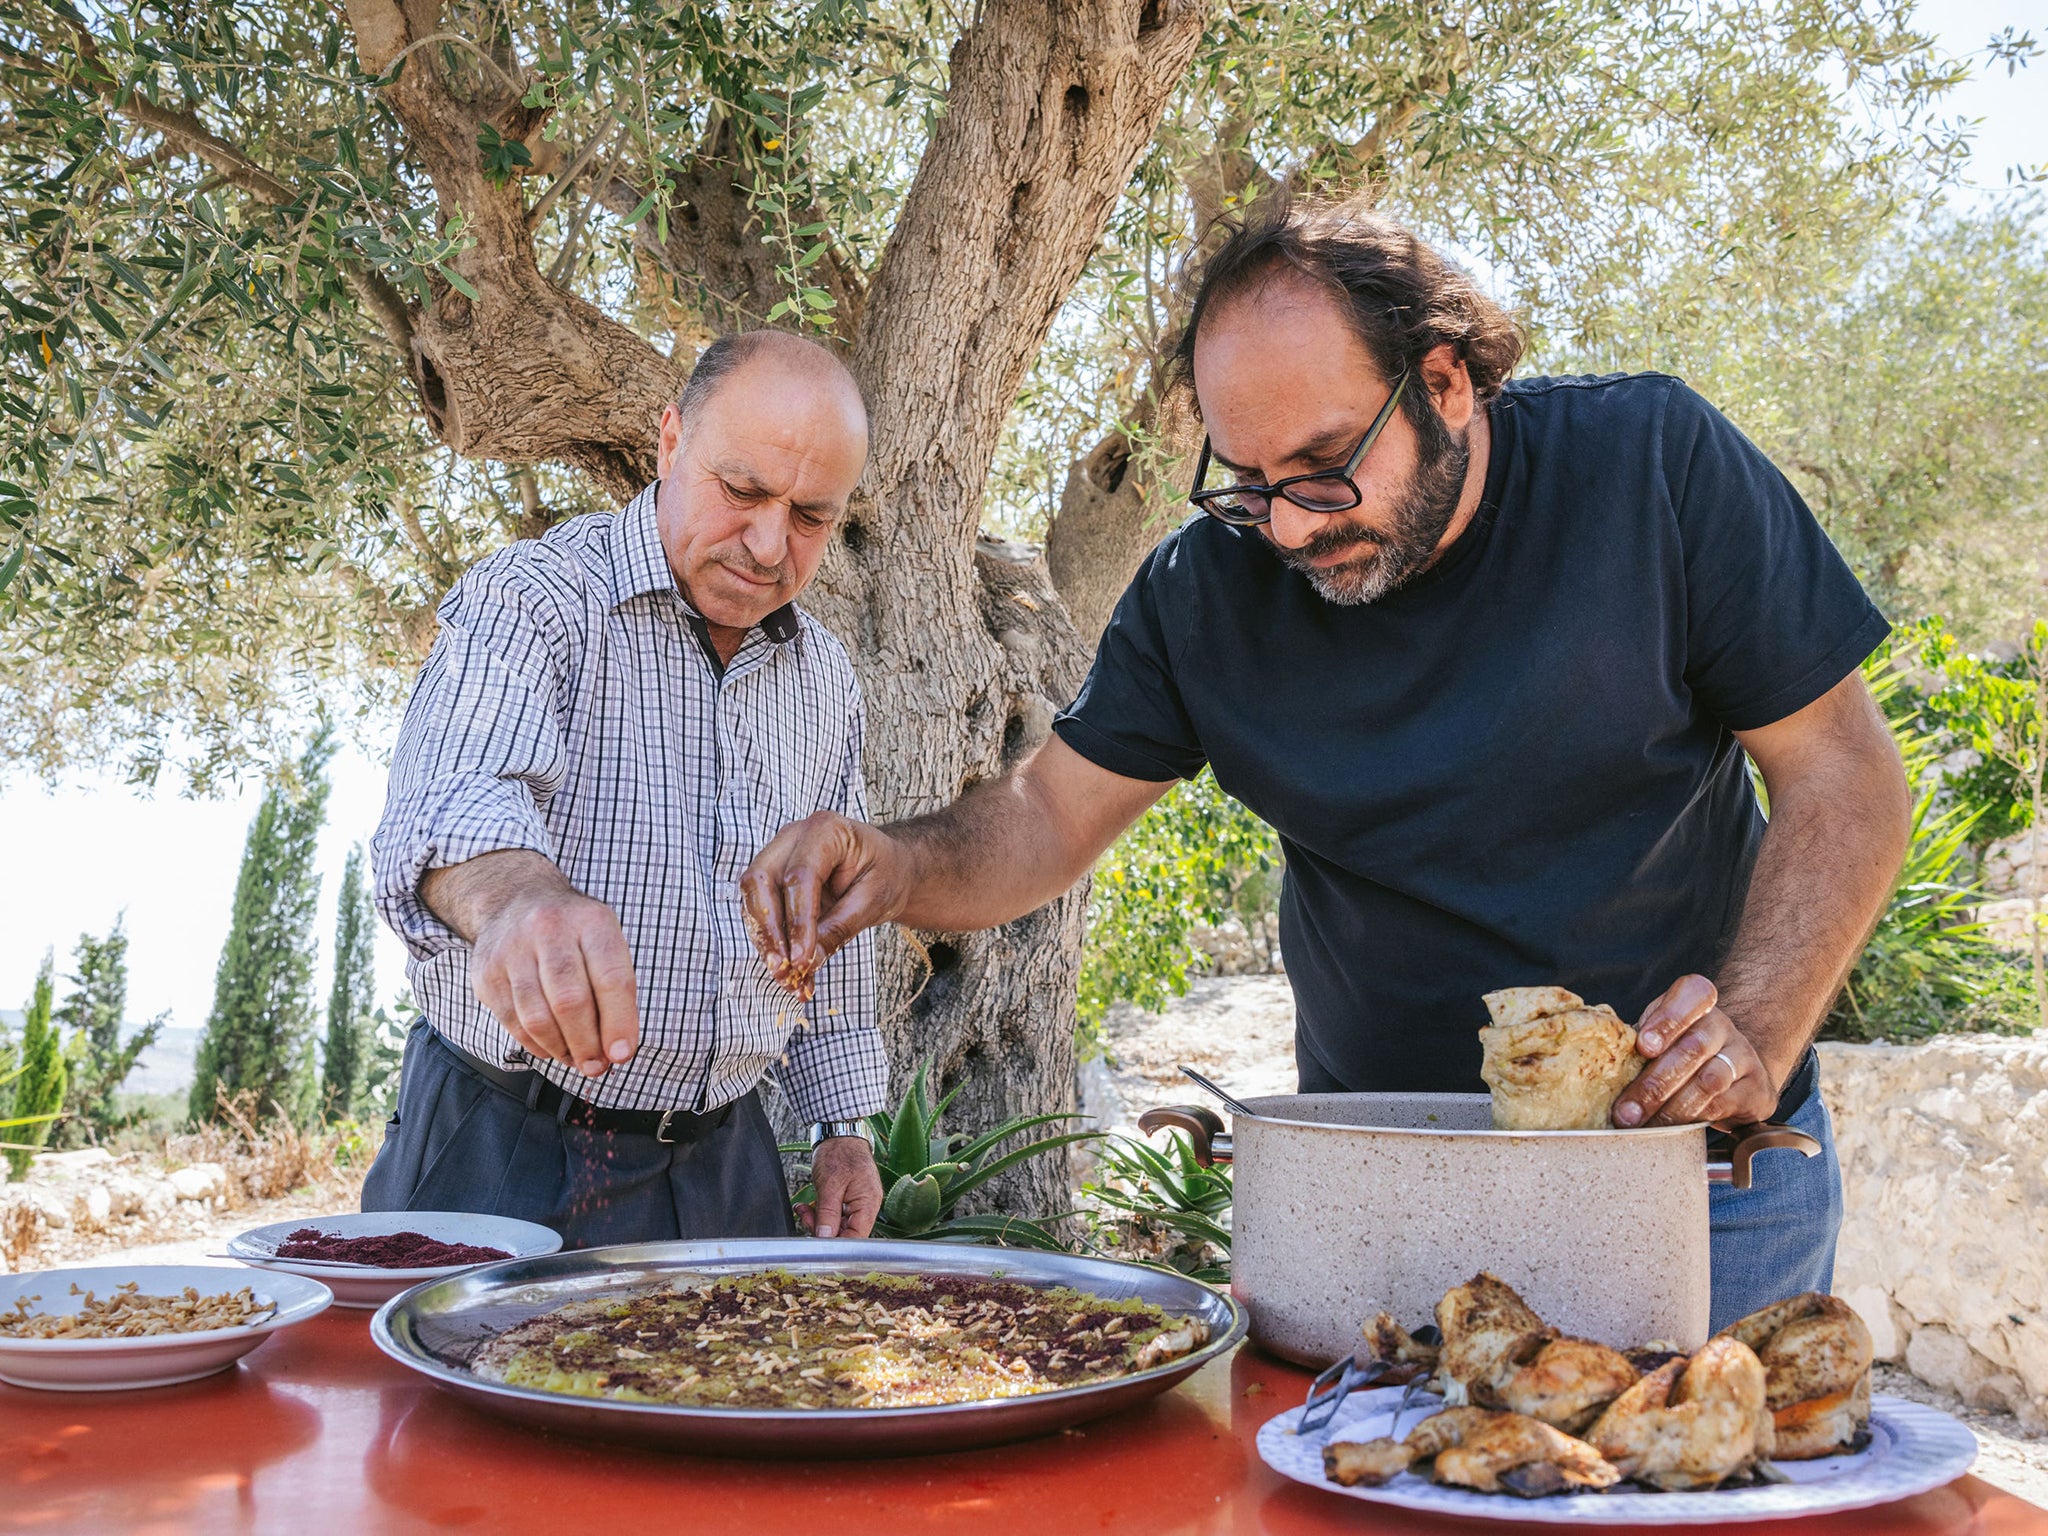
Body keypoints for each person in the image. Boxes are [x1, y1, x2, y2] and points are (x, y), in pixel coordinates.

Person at [739, 198, 1912, 1327]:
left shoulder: (1651, 466)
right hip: (1377, 1199)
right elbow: (1044, 818)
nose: (1289, 526)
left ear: (1443, 383)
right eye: (1248, 483)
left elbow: (1841, 776)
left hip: (1697, 1183)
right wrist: (894, 865)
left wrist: (1756, 1030)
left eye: (1320, 465)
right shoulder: (1203, 590)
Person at [364, 330, 888, 1247]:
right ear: (670, 441)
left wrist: (841, 1127)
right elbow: (454, 794)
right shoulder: (535, 600)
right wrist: (518, 902)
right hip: (504, 1147)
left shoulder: (827, 681)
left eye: (811, 516)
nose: (770, 544)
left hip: (729, 1161)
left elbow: (828, 918)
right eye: (744, 491)